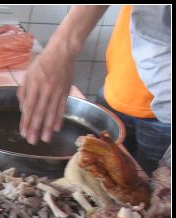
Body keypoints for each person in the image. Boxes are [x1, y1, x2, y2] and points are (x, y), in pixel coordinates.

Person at [17, 5, 171, 174]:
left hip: (164, 114)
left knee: (147, 183)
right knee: (101, 174)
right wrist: (60, 50)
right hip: (118, 86)